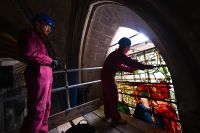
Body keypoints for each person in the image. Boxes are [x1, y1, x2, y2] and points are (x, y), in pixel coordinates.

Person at [18, 13, 58, 133]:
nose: (49, 29)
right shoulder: (28, 34)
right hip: (38, 76)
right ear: (38, 23)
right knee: (37, 109)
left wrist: (50, 64)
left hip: (45, 77)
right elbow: (30, 53)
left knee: (46, 107)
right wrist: (50, 60)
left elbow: (39, 56)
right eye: (47, 25)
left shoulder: (39, 38)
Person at [101, 37, 154, 124]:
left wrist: (130, 69)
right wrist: (146, 66)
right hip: (109, 77)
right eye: (129, 47)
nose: (129, 49)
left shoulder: (115, 54)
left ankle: (108, 114)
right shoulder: (119, 54)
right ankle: (116, 118)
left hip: (105, 77)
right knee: (113, 97)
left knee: (107, 97)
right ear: (125, 46)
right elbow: (131, 62)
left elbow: (121, 66)